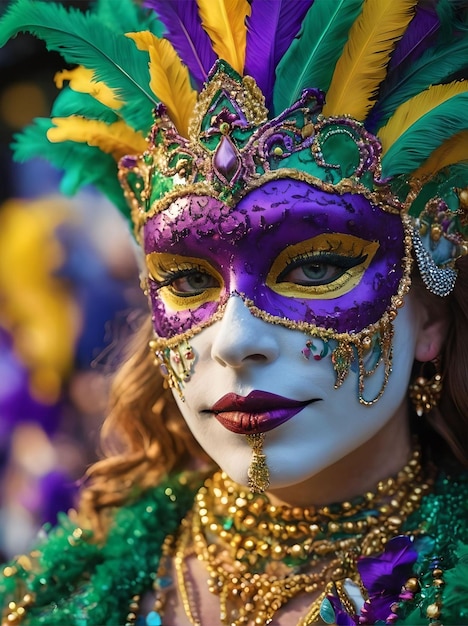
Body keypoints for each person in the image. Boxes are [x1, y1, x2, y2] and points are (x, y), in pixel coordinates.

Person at [1, 0, 468, 624]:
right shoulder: (71, 587)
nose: (233, 340)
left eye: (317, 268)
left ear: (430, 315)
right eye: (189, 280)